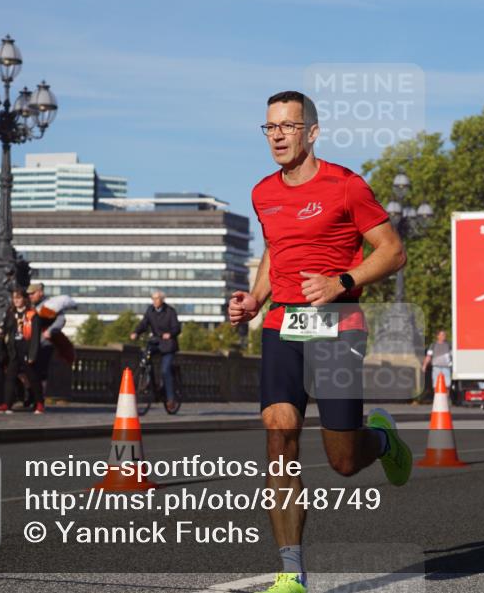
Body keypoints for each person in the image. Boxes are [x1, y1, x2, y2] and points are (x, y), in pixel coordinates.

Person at [227, 91, 410, 593]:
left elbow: (393, 253)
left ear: (312, 131)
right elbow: (275, 252)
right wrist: (255, 301)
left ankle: (381, 438)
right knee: (278, 433)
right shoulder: (263, 193)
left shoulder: (346, 185)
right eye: (270, 128)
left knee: (343, 461)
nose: (279, 135)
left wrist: (341, 283)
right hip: (283, 323)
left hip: (336, 324)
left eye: (288, 126)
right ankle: (291, 571)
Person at [0, 288, 42, 415]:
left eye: (18, 298)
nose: (16, 301)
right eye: (14, 298)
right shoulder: (10, 313)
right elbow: (4, 327)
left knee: (33, 378)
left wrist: (32, 355)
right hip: (13, 350)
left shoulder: (32, 315)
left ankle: (40, 403)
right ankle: (7, 404)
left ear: (25, 299)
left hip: (27, 350)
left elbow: (35, 337)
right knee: (10, 377)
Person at [130, 290, 182, 412]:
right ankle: (147, 378)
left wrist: (170, 334)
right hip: (156, 342)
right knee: (145, 357)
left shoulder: (170, 311)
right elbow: (144, 323)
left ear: (162, 299)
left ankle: (170, 399)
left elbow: (177, 327)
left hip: (168, 345)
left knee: (165, 370)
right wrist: (136, 332)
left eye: (157, 298)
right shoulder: (150, 310)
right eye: (153, 298)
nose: (154, 301)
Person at [22, 282, 66, 414]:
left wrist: (50, 331)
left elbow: (61, 320)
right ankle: (31, 397)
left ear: (40, 292)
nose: (30, 296)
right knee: (26, 373)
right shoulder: (28, 305)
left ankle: (39, 401)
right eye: (29, 294)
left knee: (40, 373)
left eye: (33, 293)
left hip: (43, 344)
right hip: (27, 344)